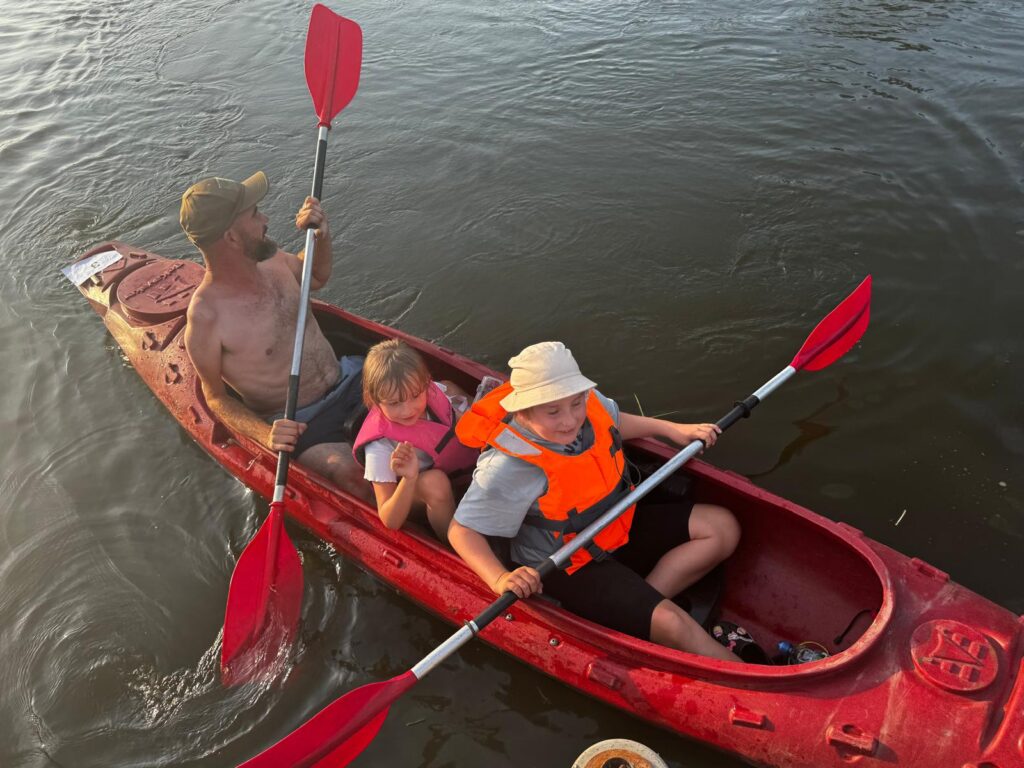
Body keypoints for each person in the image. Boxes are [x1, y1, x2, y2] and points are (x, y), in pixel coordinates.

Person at [449, 342, 742, 661]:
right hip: (567, 562)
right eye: (553, 412)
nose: (570, 420)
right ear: (523, 411)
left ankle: (638, 609)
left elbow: (614, 422)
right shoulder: (508, 467)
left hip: (613, 525)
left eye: (576, 403)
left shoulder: (586, 404)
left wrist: (671, 429)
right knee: (674, 624)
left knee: (722, 527)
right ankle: (669, 628)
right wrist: (500, 578)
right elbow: (461, 531)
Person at [180, 171, 370, 501]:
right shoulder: (206, 319)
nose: (266, 219)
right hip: (304, 423)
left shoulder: (274, 261)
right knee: (355, 477)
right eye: (255, 214)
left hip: (350, 378)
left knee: (444, 397)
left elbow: (317, 276)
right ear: (232, 238)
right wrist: (266, 434)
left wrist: (321, 237)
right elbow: (216, 398)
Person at [352, 339, 480, 542]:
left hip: (460, 473)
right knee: (434, 482)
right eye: (394, 403)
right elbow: (390, 520)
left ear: (426, 383)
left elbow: (457, 412)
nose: (408, 410)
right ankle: (458, 545)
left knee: (456, 392)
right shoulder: (379, 446)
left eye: (415, 396)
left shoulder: (433, 390)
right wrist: (409, 478)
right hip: (419, 496)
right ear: (375, 400)